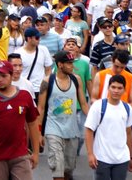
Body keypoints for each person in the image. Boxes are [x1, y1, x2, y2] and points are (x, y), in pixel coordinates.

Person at [39, 50, 89, 180]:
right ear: (60, 65)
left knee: (68, 170)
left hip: (71, 131)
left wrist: (93, 122)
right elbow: (41, 108)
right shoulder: (47, 81)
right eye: (69, 63)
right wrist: (39, 133)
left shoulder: (76, 80)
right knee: (57, 168)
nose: (72, 66)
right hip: (53, 130)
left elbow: (83, 104)